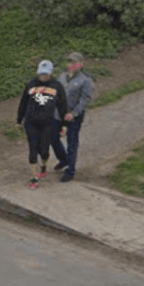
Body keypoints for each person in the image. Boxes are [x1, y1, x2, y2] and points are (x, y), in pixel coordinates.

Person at [16, 59, 67, 190]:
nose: (43, 76)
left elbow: (62, 106)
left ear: (51, 73)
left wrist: (64, 124)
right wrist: (19, 120)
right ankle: (34, 178)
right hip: (31, 122)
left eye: (46, 74)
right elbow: (23, 103)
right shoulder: (31, 84)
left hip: (48, 123)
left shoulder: (57, 86)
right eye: (41, 74)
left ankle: (43, 165)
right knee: (33, 150)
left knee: (44, 150)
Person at [52, 51, 95, 182]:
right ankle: (63, 159)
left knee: (72, 142)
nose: (72, 64)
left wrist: (74, 113)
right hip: (58, 114)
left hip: (73, 115)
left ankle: (70, 170)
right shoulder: (62, 76)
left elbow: (85, 99)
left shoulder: (85, 80)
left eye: (75, 62)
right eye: (70, 62)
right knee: (52, 137)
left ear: (81, 64)